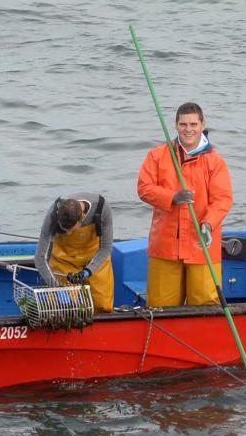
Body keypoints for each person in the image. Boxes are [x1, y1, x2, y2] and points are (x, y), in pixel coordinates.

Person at [137, 102, 233, 307]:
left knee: (205, 306)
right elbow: (144, 188)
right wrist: (172, 197)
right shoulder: (157, 155)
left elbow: (222, 199)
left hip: (202, 246)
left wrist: (208, 224)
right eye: (183, 124)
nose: (188, 129)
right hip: (165, 246)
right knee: (160, 307)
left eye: (193, 124)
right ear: (176, 125)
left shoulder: (215, 161)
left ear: (202, 124)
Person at [33, 192, 114, 313]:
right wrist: (56, 288)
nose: (69, 233)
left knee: (103, 305)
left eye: (71, 229)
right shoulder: (53, 213)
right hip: (64, 260)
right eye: (64, 230)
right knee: (62, 308)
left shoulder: (102, 208)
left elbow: (106, 248)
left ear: (82, 217)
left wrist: (88, 271)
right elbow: (39, 258)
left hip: (95, 257)